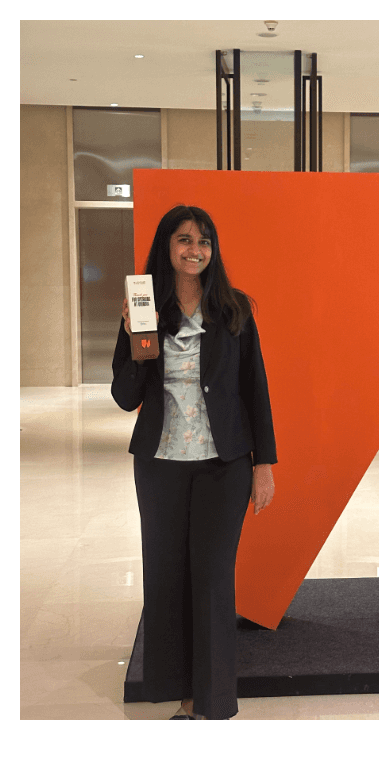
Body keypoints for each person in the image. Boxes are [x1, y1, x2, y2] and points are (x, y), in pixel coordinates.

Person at [112, 205, 277, 719]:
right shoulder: (144, 308)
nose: (195, 250)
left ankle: (209, 701)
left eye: (204, 241)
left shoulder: (233, 309)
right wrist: (136, 342)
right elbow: (125, 396)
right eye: (184, 239)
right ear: (167, 246)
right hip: (160, 465)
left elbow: (255, 389)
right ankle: (176, 687)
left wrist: (264, 465)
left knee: (212, 578)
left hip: (223, 464)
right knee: (166, 576)